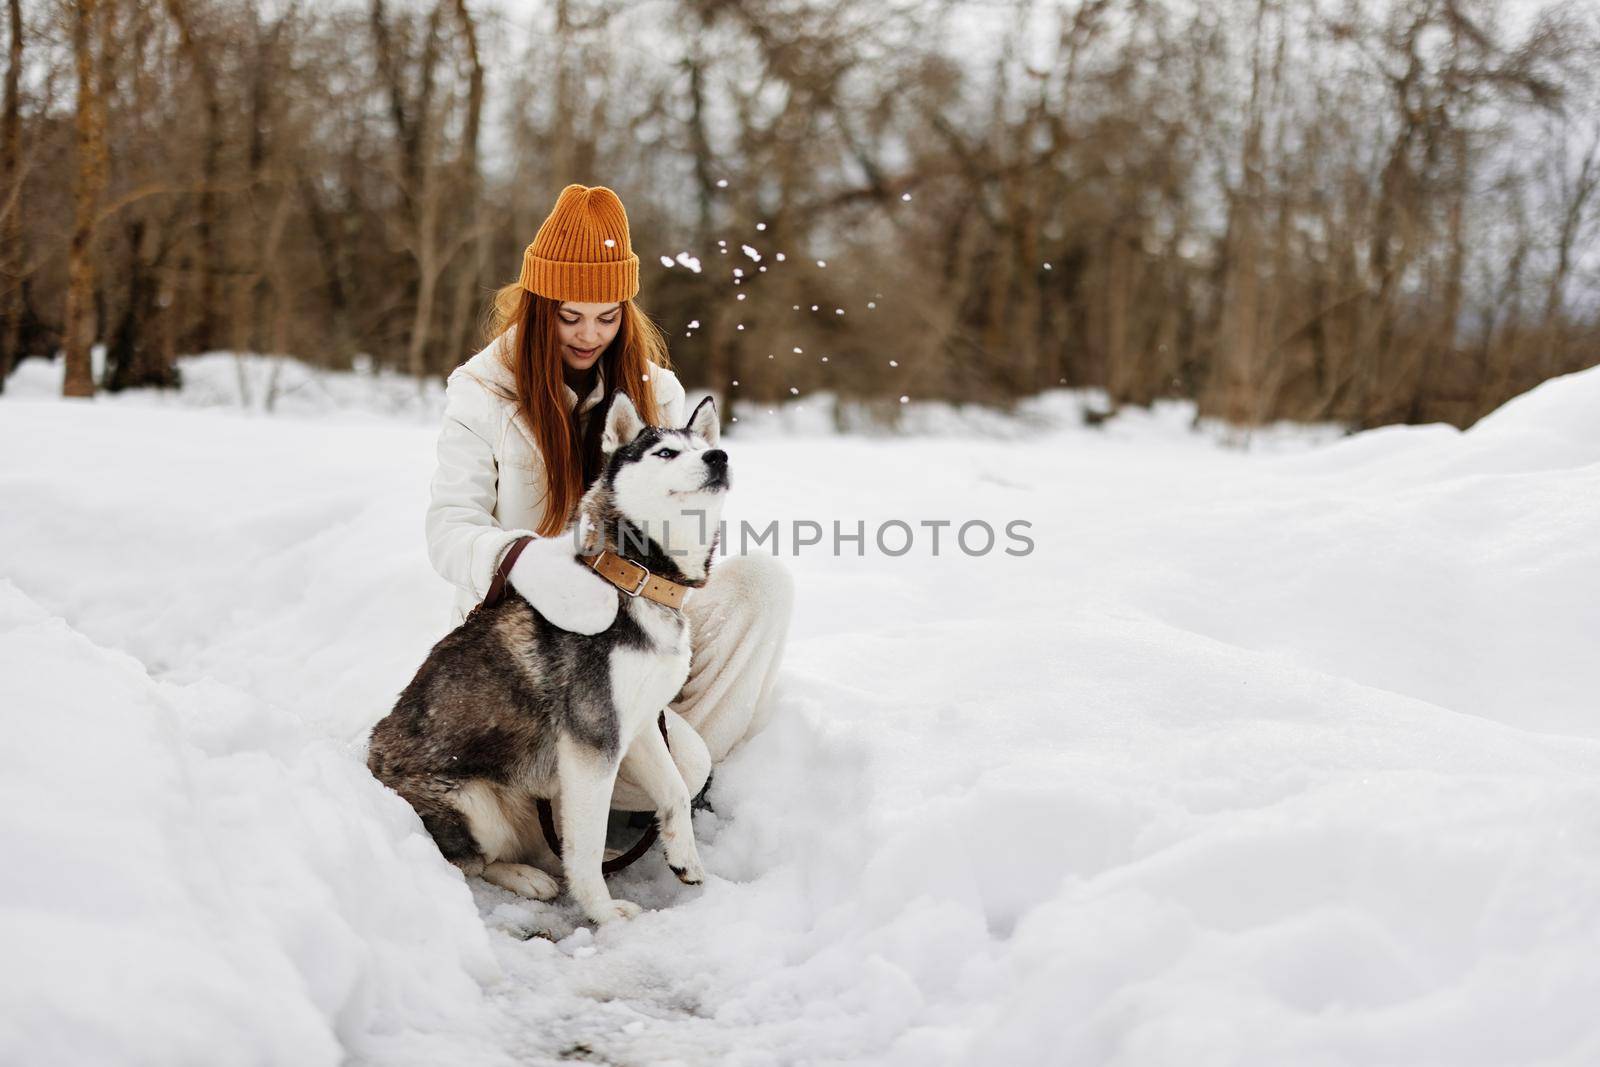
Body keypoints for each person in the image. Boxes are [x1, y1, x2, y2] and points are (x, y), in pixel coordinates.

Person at [424, 182, 793, 818]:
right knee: (681, 761)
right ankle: (611, 768)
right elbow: (448, 529)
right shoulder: (482, 392)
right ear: (538, 307)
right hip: (535, 646)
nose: (589, 334)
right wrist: (522, 560)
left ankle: (645, 759)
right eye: (570, 316)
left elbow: (688, 526)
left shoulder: (659, 392)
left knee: (763, 583)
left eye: (607, 315)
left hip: (642, 614)